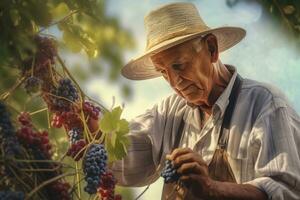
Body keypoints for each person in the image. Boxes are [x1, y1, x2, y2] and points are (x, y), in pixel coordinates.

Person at [109, 2, 300, 200]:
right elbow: (123, 157)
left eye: (179, 65)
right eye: (163, 73)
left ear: (211, 48)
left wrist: (211, 189)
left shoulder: (265, 104)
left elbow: (286, 192)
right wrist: (92, 128)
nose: (174, 82)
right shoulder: (169, 112)